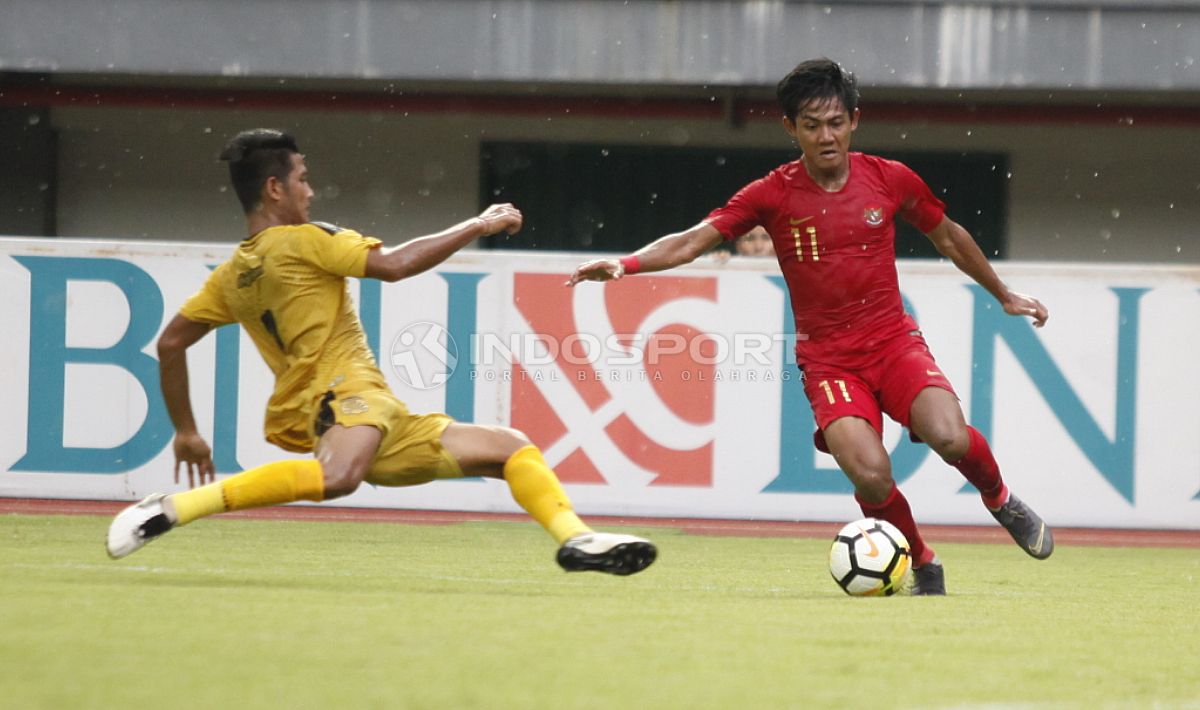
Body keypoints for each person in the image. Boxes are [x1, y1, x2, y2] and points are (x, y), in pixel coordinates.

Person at [568, 59, 1053, 594]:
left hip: (893, 342)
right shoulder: (771, 195)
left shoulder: (890, 179)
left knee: (950, 436)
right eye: (812, 124)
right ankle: (921, 561)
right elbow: (692, 240)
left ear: (854, 121)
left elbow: (949, 236)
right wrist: (627, 264)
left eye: (836, 123)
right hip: (829, 360)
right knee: (870, 472)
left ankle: (1000, 499)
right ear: (790, 128)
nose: (827, 136)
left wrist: (1003, 294)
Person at [106, 128, 656, 577]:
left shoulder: (231, 275)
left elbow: (172, 341)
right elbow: (394, 265)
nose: (310, 191)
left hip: (375, 411)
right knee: (338, 478)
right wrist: (480, 223)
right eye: (303, 178)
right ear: (274, 189)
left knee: (510, 448)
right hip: (345, 399)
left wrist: (186, 430)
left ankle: (575, 540)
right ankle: (170, 509)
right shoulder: (305, 239)